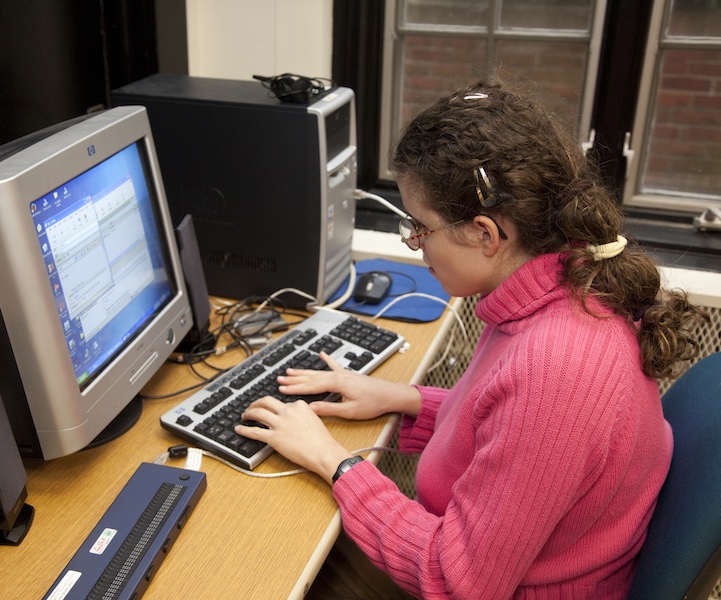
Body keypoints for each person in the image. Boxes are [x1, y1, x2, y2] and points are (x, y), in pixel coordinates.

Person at [234, 80, 708, 599]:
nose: (415, 245)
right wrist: (402, 399)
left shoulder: (557, 367)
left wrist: (333, 462)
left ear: (486, 234)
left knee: (274, 564)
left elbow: (455, 581)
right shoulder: (562, 288)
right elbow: (511, 438)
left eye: (419, 227)